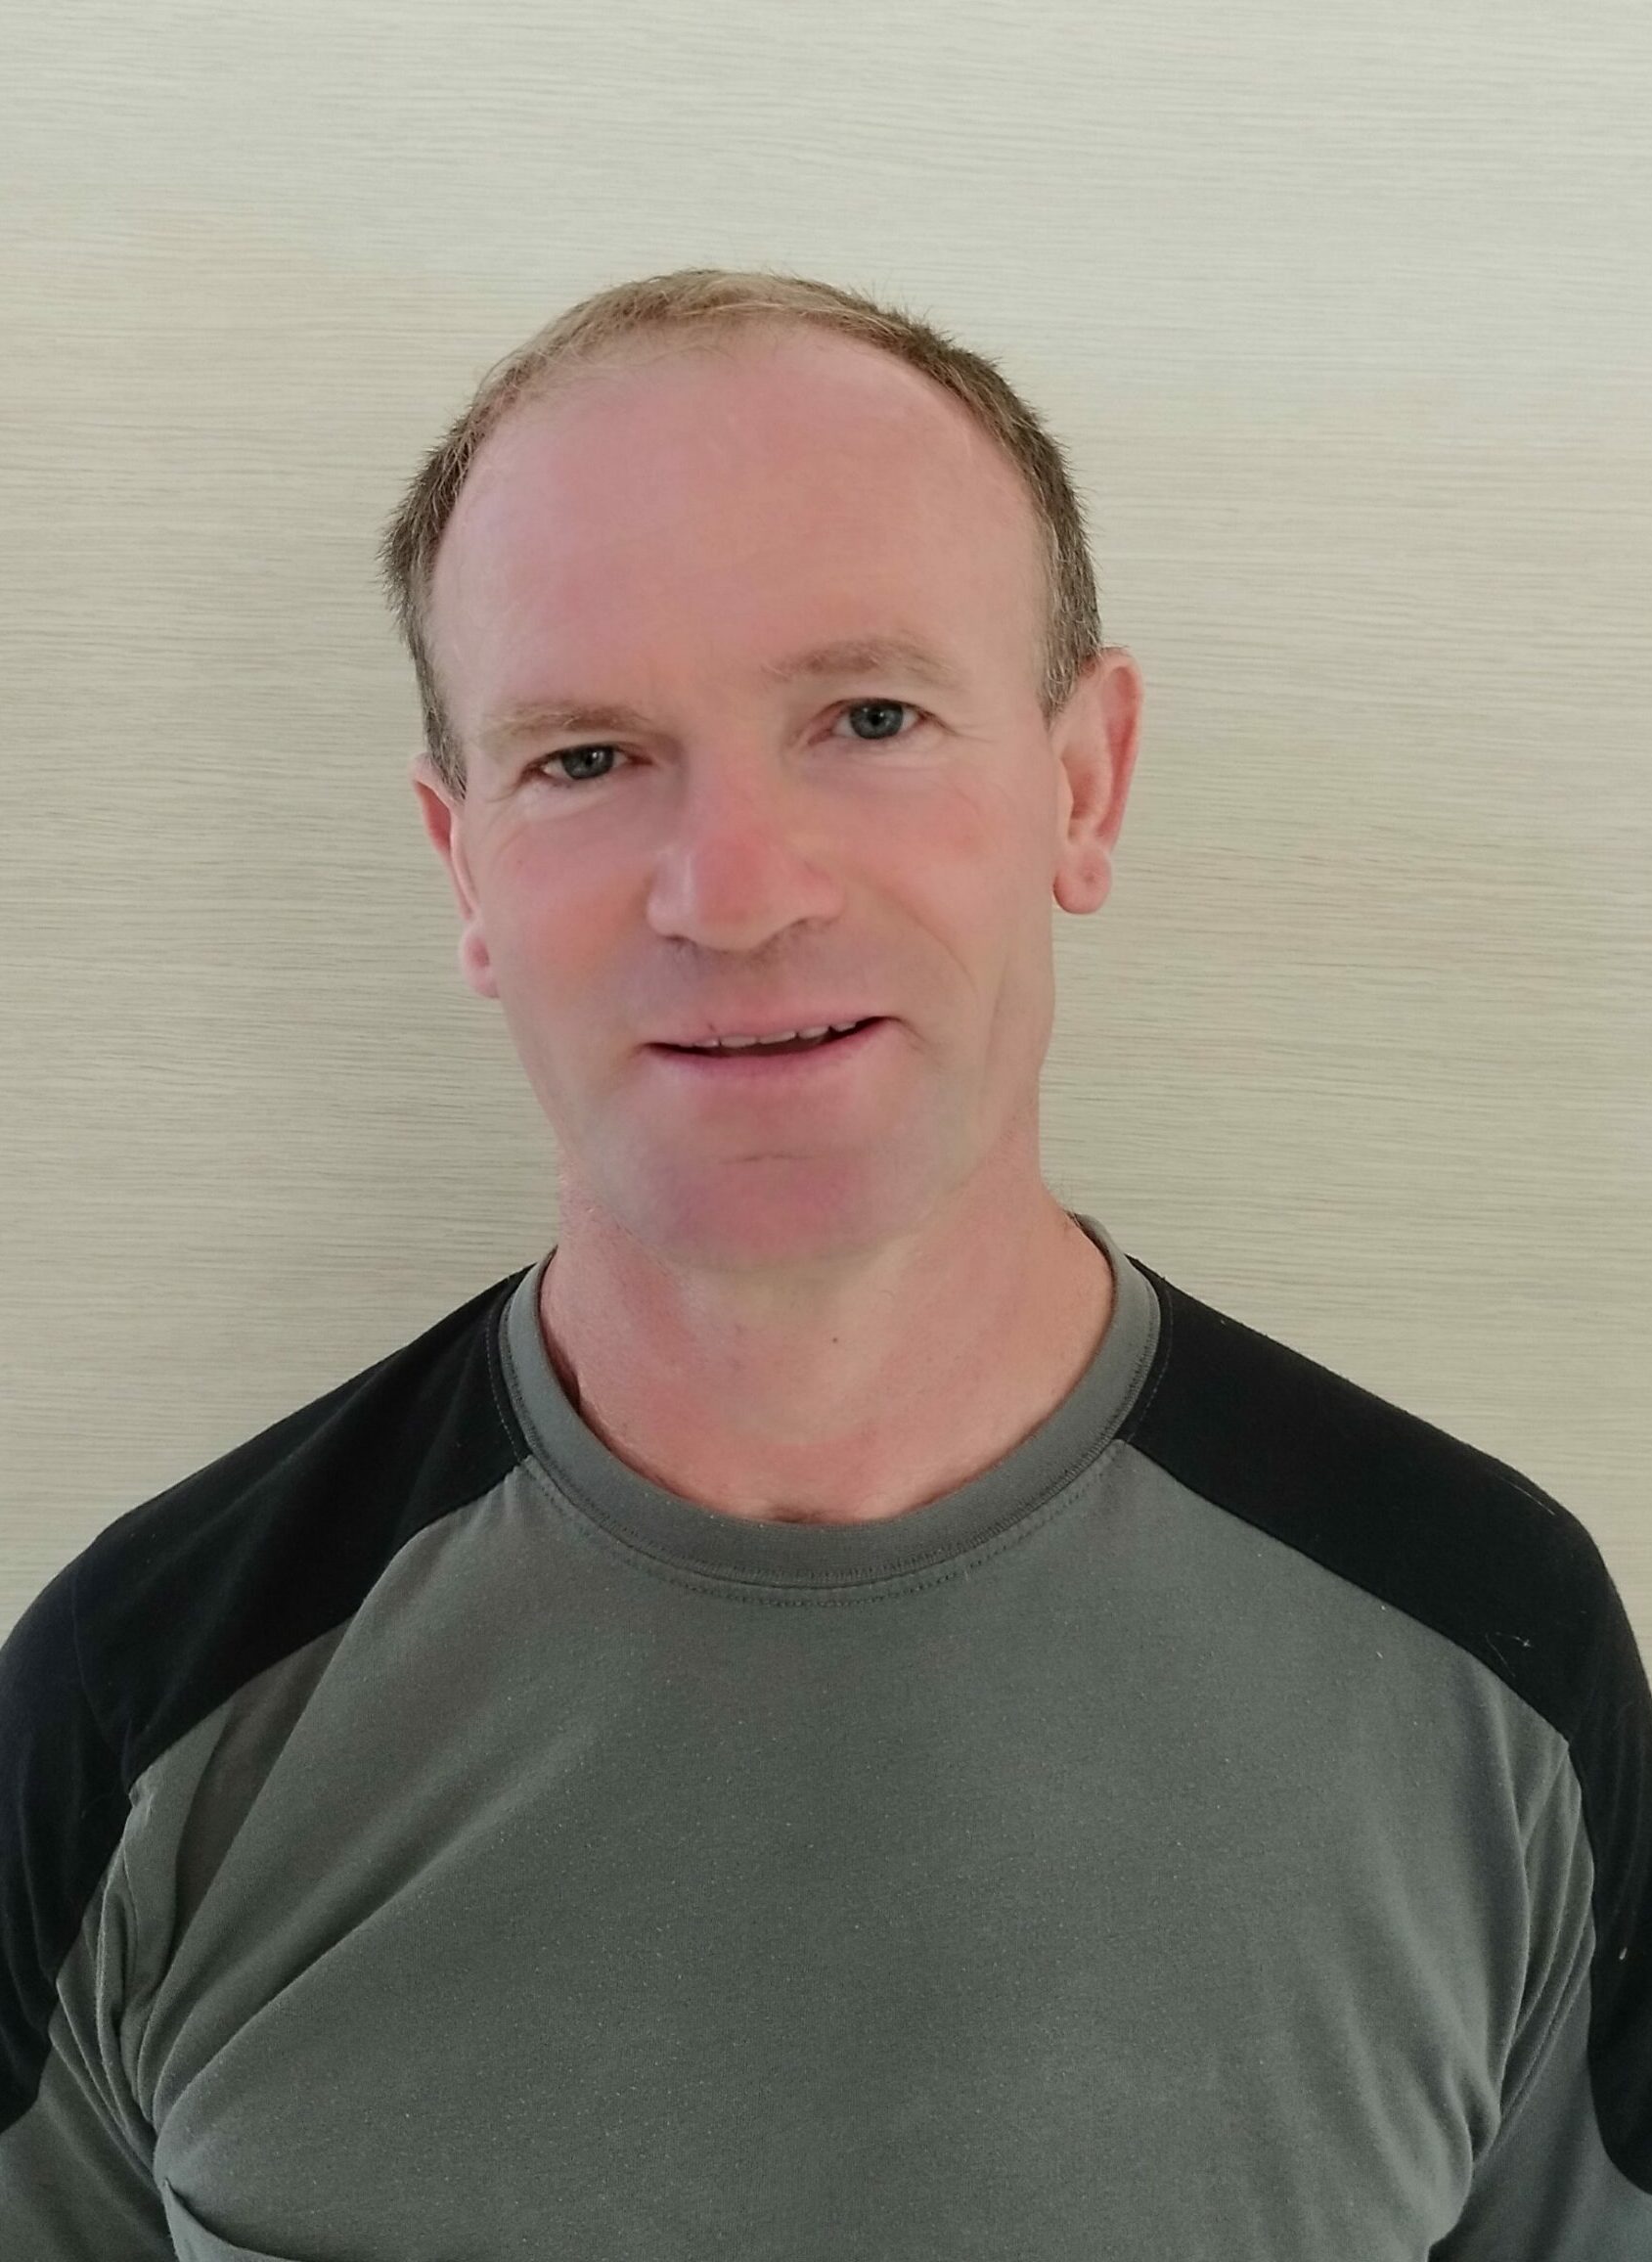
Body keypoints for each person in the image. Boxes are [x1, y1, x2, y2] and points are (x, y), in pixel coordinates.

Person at [2, 268, 1647, 2260]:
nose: (735, 893)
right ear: (462, 865)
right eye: (585, 758)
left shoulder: (1487, 1662)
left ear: (1082, 781)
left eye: (869, 718)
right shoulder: (145, 1706)